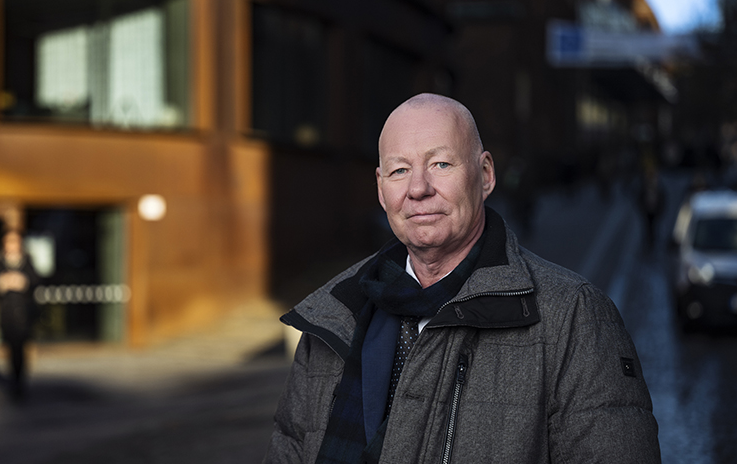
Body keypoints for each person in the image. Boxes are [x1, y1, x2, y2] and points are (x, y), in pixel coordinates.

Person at [264, 94, 660, 463]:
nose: (418, 189)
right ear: (382, 191)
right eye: (400, 170)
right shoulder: (332, 315)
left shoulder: (574, 317)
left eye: (441, 164)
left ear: (485, 175)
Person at [0, 229, 40, 400]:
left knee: (21, 349)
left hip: (24, 315)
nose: (11, 245)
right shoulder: (0, 263)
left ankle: (20, 383)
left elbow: (35, 282)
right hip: (7, 315)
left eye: (14, 241)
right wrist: (0, 283)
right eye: (8, 242)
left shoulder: (27, 262)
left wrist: (22, 282)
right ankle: (14, 381)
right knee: (11, 349)